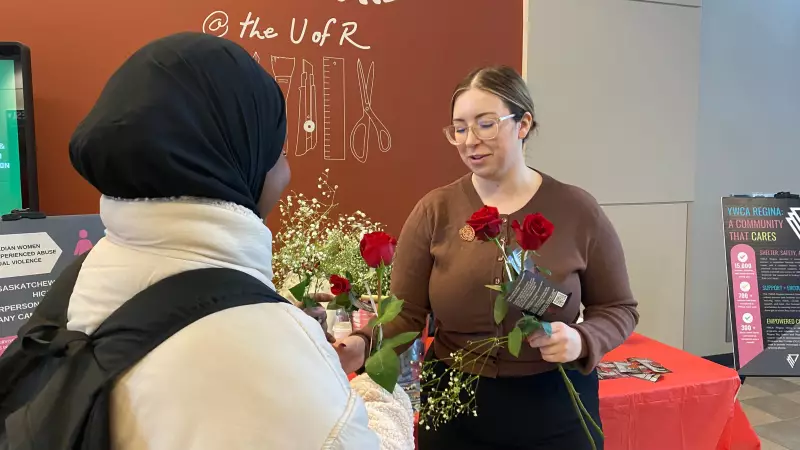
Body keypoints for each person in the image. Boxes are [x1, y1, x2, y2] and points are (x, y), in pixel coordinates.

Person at [66, 32, 413, 450]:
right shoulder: (265, 346)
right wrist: (376, 397)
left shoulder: (89, 273)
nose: (287, 174)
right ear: (235, 160)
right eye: (278, 151)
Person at [336, 65, 639, 449]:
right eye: (459, 128)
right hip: (456, 400)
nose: (469, 140)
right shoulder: (436, 210)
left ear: (523, 124)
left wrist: (582, 339)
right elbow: (408, 314)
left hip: (555, 401)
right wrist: (363, 343)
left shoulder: (577, 210)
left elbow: (619, 308)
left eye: (485, 124)